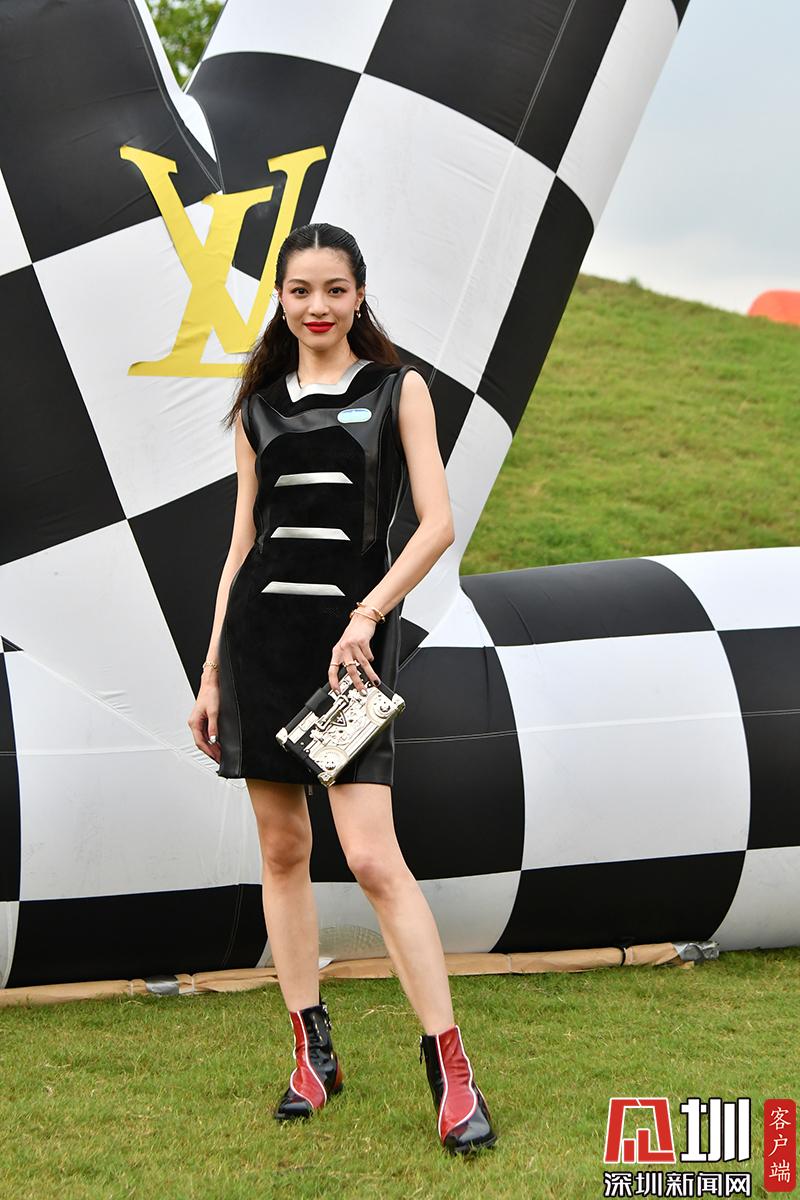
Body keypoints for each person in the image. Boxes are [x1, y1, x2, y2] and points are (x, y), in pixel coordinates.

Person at [187, 222, 497, 1155]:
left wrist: (367, 615)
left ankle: (451, 1069)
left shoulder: (400, 390)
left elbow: (436, 525)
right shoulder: (255, 411)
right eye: (299, 291)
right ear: (281, 301)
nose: (316, 306)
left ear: (359, 295)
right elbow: (241, 547)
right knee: (283, 850)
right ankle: (311, 1055)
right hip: (261, 648)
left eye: (333, 289)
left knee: (369, 857)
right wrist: (212, 670)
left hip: (349, 657)